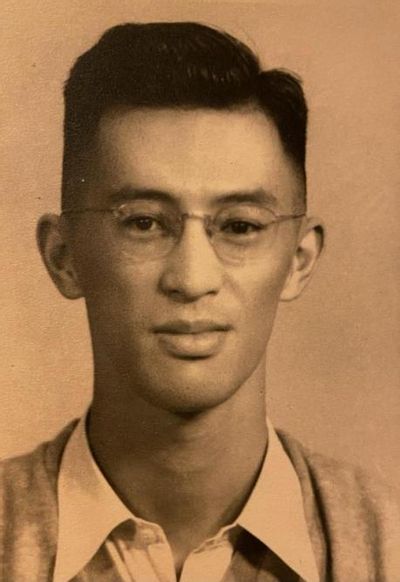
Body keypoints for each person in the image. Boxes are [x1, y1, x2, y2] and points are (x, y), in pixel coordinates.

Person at [1, 21, 399, 582]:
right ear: (63, 256)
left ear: (299, 259)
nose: (192, 278)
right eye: (143, 222)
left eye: (239, 226)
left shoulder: (388, 544)